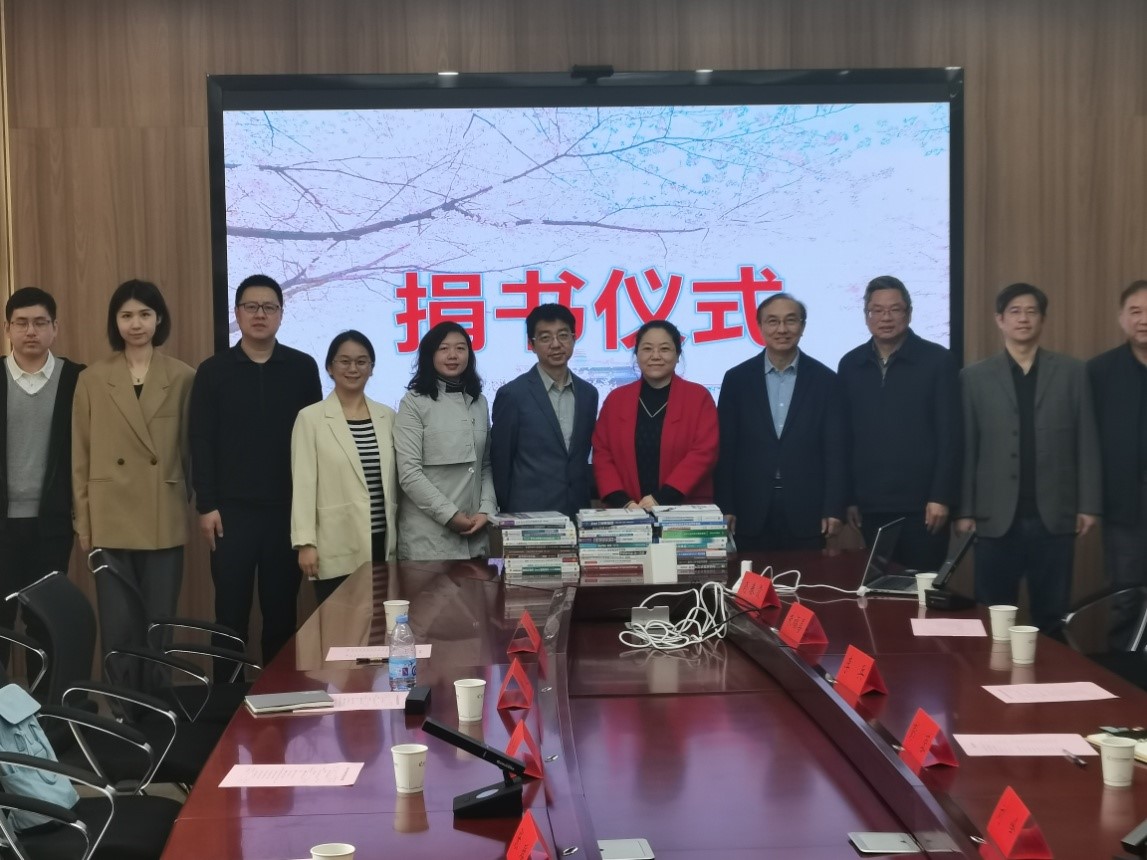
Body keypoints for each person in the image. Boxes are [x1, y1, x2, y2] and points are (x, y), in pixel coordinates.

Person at [189, 274, 321, 665]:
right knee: (229, 617)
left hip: (286, 512)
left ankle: (277, 696)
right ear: (237, 313)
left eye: (269, 307)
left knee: (282, 616)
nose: (260, 314)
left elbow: (314, 442)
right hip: (231, 514)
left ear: (281, 314)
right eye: (251, 306)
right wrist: (206, 505)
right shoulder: (213, 371)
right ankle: (226, 698)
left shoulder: (301, 368)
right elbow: (201, 440)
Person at [956, 283, 1101, 634]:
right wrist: (965, 509)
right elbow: (967, 448)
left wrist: (1088, 505)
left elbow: (1087, 440)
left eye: (1031, 311)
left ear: (1043, 320)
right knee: (993, 616)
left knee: (1051, 616)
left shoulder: (1072, 372)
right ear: (1000, 320)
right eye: (1015, 311)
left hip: (1054, 515)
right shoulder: (974, 377)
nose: (1023, 318)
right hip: (994, 517)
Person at [72, 280, 195, 659]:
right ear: (115, 321)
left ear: (159, 319)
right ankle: (122, 697)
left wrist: (183, 497)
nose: (136, 324)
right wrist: (84, 523)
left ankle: (157, 695)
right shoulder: (92, 378)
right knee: (118, 625)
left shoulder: (183, 376)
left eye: (144, 314)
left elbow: (190, 450)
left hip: (163, 512)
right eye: (126, 315)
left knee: (159, 624)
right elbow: (80, 455)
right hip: (110, 516)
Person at [837, 276, 962, 571]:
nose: (886, 318)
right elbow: (844, 438)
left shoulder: (938, 361)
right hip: (870, 506)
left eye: (895, 309)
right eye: (877, 310)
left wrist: (941, 496)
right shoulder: (850, 364)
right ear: (866, 315)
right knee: (878, 588)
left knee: (921, 588)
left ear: (909, 313)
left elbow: (951, 436)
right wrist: (849, 498)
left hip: (924, 507)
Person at [716, 294, 845, 551]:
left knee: (806, 576)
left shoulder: (826, 381)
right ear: (759, 326)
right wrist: (725, 505)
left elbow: (836, 449)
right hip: (749, 507)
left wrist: (834, 507)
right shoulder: (736, 380)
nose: (782, 329)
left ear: (802, 326)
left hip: (807, 508)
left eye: (791, 321)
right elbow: (726, 449)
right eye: (773, 321)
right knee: (749, 577)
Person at [0, 288, 84, 648]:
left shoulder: (77, 379)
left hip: (53, 523)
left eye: (40, 322)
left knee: (46, 621)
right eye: (21, 323)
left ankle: (46, 688)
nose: (31, 331)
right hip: (3, 523)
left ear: (55, 328)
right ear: (8, 329)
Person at [291, 331, 398, 603]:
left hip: (382, 541)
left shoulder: (387, 416)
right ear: (330, 366)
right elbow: (303, 485)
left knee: (379, 622)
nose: (353, 369)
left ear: (371, 368)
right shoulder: (310, 418)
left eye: (362, 362)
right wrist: (305, 543)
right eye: (344, 361)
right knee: (342, 624)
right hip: (336, 542)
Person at [393, 322, 496, 560]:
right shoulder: (414, 402)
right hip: (428, 540)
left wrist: (487, 509)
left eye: (460, 348)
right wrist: (450, 515)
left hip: (476, 535)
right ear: (430, 355)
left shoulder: (479, 402)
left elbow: (485, 465)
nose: (453, 355)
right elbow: (409, 473)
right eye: (443, 348)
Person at [592, 320, 718, 509]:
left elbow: (704, 453)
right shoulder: (616, 400)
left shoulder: (698, 398)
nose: (656, 356)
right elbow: (602, 453)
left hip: (683, 512)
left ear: (678, 355)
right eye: (647, 349)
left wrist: (662, 498)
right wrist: (622, 501)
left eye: (665, 349)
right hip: (627, 511)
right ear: (636, 354)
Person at [490, 303, 598, 517]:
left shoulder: (589, 394)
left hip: (577, 512)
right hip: (529, 514)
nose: (556, 344)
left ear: (574, 338)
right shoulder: (512, 394)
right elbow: (501, 462)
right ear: (531, 344)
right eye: (545, 338)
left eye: (563, 335)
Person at [1088, 279, 1147, 648]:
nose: (1143, 320)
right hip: (1125, 504)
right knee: (1126, 596)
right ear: (1121, 318)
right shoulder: (1100, 372)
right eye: (1135, 311)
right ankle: (1125, 674)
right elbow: (1086, 441)